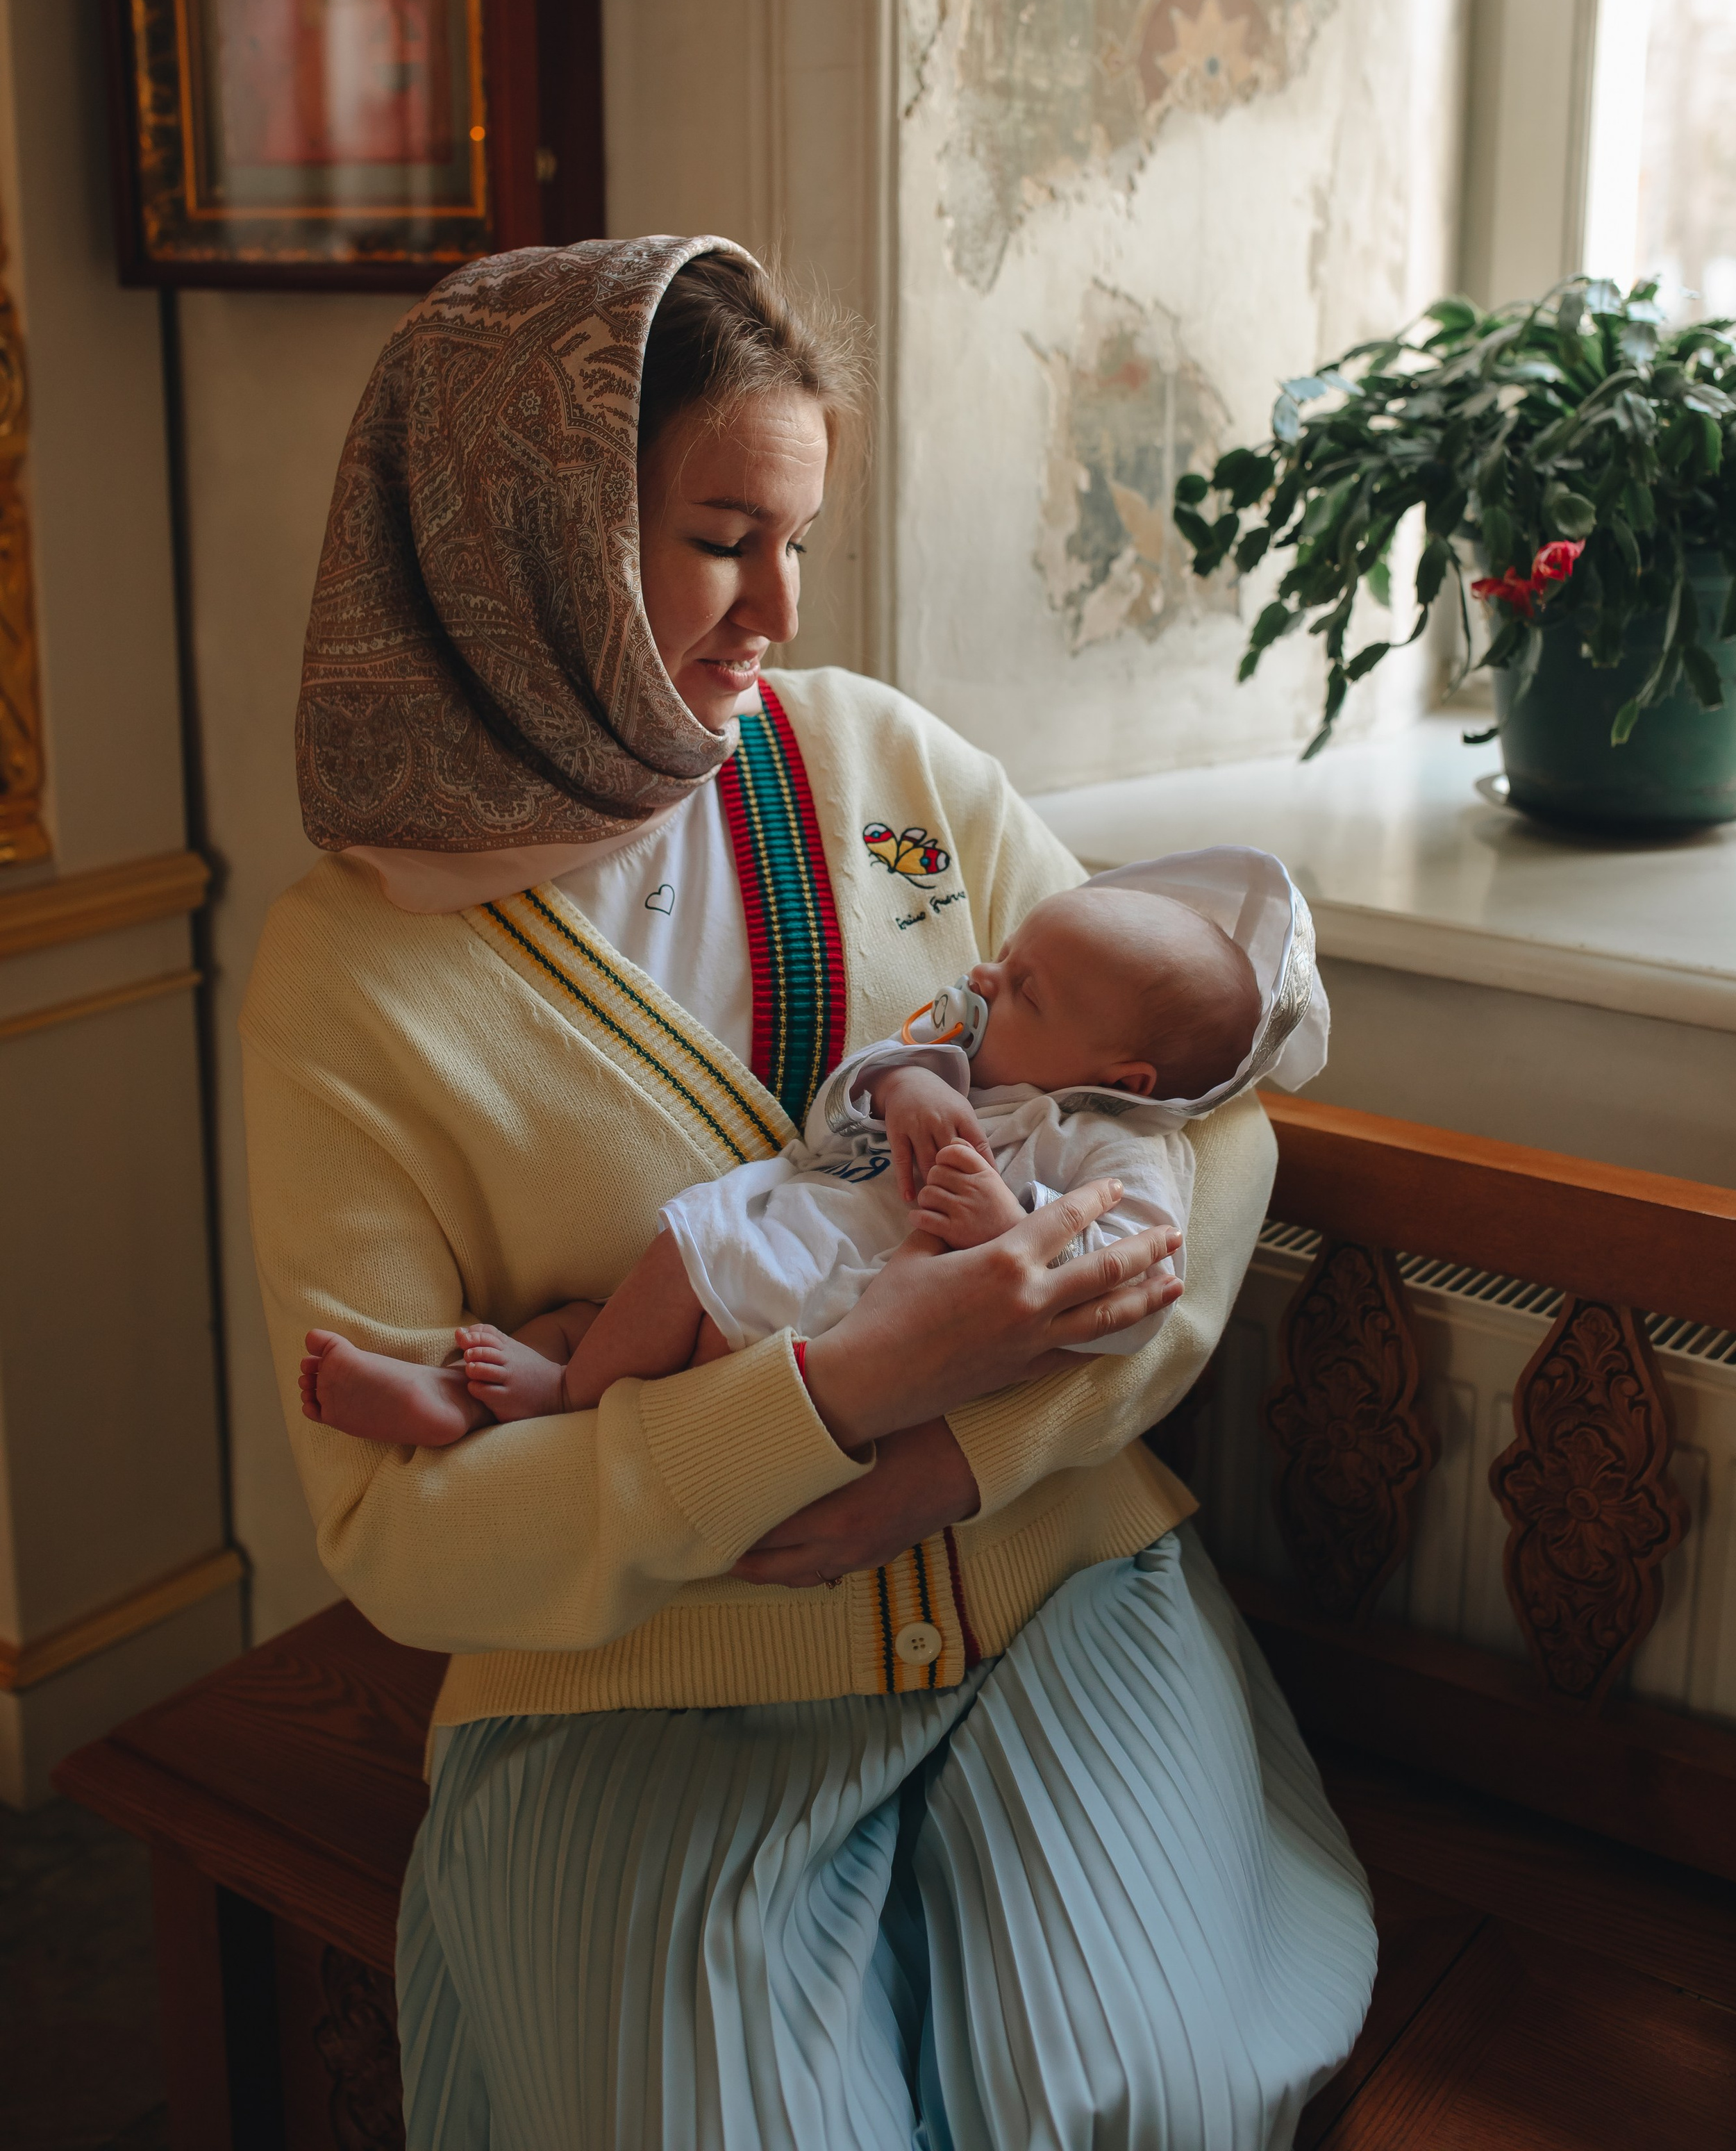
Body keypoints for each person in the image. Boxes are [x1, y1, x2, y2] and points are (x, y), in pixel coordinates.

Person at [244, 236, 1375, 2151]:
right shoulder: (350, 985)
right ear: (524, 540)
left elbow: (1214, 1127)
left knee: (1142, 2103)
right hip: (644, 1687)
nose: (778, 604)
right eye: (716, 537)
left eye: (797, 535)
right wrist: (829, 1403)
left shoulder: (882, 767)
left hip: (1050, 1598)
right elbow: (402, 1536)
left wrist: (975, 1460)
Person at [295, 854, 1322, 1443]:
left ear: (1128, 1076)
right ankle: (477, 1398)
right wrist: (905, 1080)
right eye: (1006, 957)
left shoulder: (1117, 1149)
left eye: (1027, 987)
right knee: (595, 1315)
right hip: (783, 1251)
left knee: (683, 1262)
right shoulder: (960, 1051)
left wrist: (1011, 1235)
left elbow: (1135, 1296)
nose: (984, 974)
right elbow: (830, 1122)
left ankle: (562, 1399)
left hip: (823, 1307)